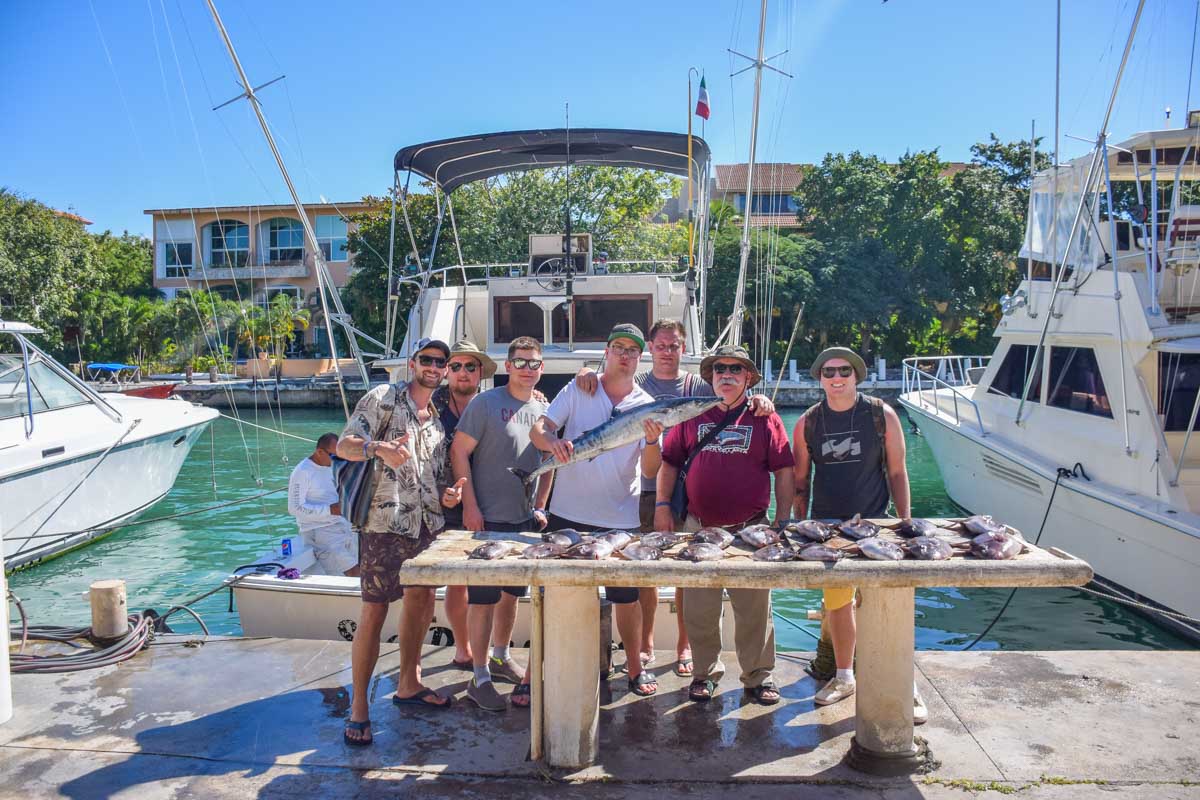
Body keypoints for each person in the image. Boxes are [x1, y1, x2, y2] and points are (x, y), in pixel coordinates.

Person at [574, 319, 777, 677]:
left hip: (679, 492)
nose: (668, 351)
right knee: (645, 573)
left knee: (687, 575)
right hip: (639, 491)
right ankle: (648, 643)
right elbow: (608, 377)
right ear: (650, 348)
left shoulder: (696, 384)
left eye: (675, 345)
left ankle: (685, 647)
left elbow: (730, 395)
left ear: (684, 349)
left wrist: (761, 399)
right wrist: (585, 371)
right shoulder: (635, 381)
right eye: (662, 345)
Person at [336, 338, 468, 746]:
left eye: (440, 362)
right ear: (413, 363)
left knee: (422, 603)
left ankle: (409, 683)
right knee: (374, 612)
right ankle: (359, 708)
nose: (433, 367)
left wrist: (450, 496)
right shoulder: (383, 397)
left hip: (427, 528)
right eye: (426, 360)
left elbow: (440, 477)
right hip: (383, 524)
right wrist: (377, 448)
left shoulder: (438, 421)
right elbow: (344, 445)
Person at [791, 346, 926, 724]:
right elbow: (801, 481)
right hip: (828, 529)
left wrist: (905, 523)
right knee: (838, 604)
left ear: (856, 376)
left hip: (876, 524)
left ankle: (904, 681)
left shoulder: (881, 415)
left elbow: (898, 472)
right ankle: (844, 675)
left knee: (888, 606)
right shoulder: (808, 422)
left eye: (844, 371)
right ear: (819, 378)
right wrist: (796, 526)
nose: (836, 377)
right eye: (829, 371)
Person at [530, 322, 665, 697]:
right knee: (556, 594)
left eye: (633, 350)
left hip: (620, 517)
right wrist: (552, 442)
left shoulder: (647, 406)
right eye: (619, 347)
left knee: (628, 600)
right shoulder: (579, 387)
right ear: (606, 351)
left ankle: (635, 668)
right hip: (568, 513)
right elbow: (539, 428)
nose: (625, 355)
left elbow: (651, 469)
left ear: (640, 358)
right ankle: (536, 672)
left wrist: (652, 440)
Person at [654, 345, 794, 705]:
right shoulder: (691, 415)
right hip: (699, 527)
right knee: (700, 608)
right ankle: (704, 673)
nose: (727, 375)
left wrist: (782, 521)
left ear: (748, 378)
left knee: (755, 609)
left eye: (735, 369)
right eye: (720, 369)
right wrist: (663, 505)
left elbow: (784, 471)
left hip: (751, 529)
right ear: (711, 376)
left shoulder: (766, 418)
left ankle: (759, 676)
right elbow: (669, 462)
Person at [451, 336, 553, 712]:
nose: (527, 369)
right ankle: (479, 677)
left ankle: (499, 655)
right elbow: (459, 451)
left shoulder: (545, 409)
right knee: (482, 601)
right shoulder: (485, 403)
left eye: (534, 363)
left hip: (524, 522)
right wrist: (469, 507)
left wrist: (541, 505)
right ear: (508, 366)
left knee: (512, 595)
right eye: (520, 362)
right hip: (487, 519)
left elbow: (549, 460)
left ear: (541, 369)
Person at [433, 340, 500, 670]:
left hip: (489, 501)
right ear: (447, 371)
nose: (462, 373)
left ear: (480, 372)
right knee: (456, 581)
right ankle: (464, 650)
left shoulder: (491, 403)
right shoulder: (430, 406)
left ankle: (491, 652)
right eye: (455, 366)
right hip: (441, 505)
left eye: (469, 366)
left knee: (489, 579)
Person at [287, 432, 358, 576]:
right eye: (334, 456)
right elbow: (294, 508)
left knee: (365, 565)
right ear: (319, 452)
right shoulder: (303, 472)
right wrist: (330, 510)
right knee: (354, 573)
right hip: (319, 531)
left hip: (342, 524)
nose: (338, 460)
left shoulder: (332, 466)